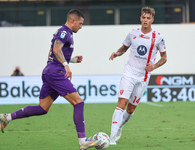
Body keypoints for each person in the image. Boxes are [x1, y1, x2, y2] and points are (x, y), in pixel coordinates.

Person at [0, 9, 99, 150]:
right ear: (73, 21)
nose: (81, 27)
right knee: (79, 103)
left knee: (43, 108)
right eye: (80, 23)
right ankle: (82, 141)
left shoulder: (65, 33)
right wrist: (66, 66)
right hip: (56, 73)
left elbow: (53, 52)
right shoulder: (64, 32)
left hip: (49, 71)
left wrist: (72, 60)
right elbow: (56, 49)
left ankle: (7, 117)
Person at [109, 6, 167, 145]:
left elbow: (164, 58)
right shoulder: (132, 33)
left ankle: (120, 127)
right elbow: (124, 48)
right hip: (129, 72)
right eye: (143, 17)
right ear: (140, 18)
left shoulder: (158, 37)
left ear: (152, 20)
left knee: (131, 108)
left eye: (148, 18)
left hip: (144, 76)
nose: (145, 20)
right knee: (121, 103)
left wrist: (154, 66)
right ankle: (111, 138)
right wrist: (117, 53)